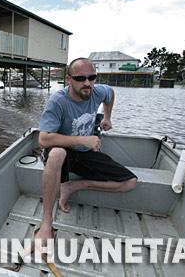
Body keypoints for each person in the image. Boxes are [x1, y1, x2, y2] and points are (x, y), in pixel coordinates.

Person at [36, 57, 138, 247]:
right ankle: (46, 221)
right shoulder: (57, 101)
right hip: (62, 152)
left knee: (130, 182)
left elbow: (110, 93)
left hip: (85, 152)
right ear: (68, 79)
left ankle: (72, 186)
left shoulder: (98, 91)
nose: (87, 83)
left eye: (92, 78)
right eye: (80, 78)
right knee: (57, 154)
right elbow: (44, 139)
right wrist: (83, 139)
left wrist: (107, 117)